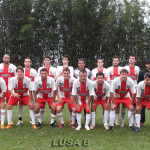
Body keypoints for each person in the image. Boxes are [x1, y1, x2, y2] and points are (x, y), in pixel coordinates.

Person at [17, 57, 38, 125]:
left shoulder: (34, 71)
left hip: (31, 91)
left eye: (28, 61)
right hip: (22, 91)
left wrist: (35, 90)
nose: (27, 63)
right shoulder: (21, 71)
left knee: (31, 104)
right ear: (24, 63)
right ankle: (20, 119)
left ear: (30, 63)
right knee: (20, 104)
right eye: (26, 61)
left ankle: (32, 119)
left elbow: (36, 81)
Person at [56, 55, 74, 126]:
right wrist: (58, 97)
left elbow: (71, 77)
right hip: (61, 94)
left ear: (68, 61)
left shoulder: (71, 68)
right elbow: (56, 77)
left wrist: (61, 75)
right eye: (63, 59)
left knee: (71, 109)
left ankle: (71, 120)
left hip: (69, 94)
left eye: (66, 59)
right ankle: (61, 122)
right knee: (58, 108)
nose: (64, 60)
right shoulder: (59, 67)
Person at [38, 56, 56, 124]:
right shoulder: (40, 68)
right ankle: (40, 121)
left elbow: (55, 79)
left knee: (53, 107)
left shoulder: (53, 69)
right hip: (42, 90)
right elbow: (38, 79)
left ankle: (53, 121)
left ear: (50, 61)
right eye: (45, 60)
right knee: (41, 107)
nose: (47, 61)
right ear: (43, 61)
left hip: (50, 90)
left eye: (48, 60)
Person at [123, 55, 140, 127]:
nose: (131, 60)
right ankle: (123, 121)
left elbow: (137, 78)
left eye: (133, 59)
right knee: (125, 105)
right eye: (130, 58)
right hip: (127, 89)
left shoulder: (137, 68)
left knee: (134, 104)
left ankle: (134, 122)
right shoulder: (125, 68)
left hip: (134, 88)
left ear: (135, 61)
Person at [107, 56, 123, 126]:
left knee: (118, 105)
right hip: (111, 90)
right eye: (114, 61)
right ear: (112, 61)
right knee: (110, 105)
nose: (115, 62)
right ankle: (110, 120)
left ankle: (116, 120)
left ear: (118, 62)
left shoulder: (122, 69)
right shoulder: (109, 69)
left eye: (117, 61)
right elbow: (107, 80)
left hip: (119, 90)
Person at [138, 59, 150, 127]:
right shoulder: (142, 72)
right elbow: (139, 82)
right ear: (146, 65)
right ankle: (141, 122)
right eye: (148, 64)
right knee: (142, 109)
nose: (149, 65)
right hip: (143, 93)